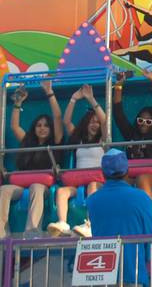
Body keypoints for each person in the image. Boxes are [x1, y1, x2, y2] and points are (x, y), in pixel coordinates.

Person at [0, 81, 63, 237]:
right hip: (22, 185)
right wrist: (18, 104)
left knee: (36, 186)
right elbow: (15, 126)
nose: (42, 128)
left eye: (46, 126)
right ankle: (2, 232)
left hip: (43, 187)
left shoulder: (55, 142)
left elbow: (57, 116)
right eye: (39, 125)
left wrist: (49, 92)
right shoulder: (28, 142)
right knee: (4, 190)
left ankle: (32, 231)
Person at [87, 149, 152, 286]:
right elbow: (151, 237)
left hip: (101, 275)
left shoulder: (92, 201)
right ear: (127, 171)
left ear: (103, 173)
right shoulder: (142, 198)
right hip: (133, 274)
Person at [47, 84, 106, 237]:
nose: (95, 124)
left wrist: (91, 99)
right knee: (61, 191)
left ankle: (90, 224)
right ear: (86, 123)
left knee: (93, 186)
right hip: (79, 181)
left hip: (98, 182)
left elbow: (105, 119)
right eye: (92, 121)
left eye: (97, 123)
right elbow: (66, 121)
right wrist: (73, 99)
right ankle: (63, 223)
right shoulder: (78, 140)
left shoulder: (103, 140)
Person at [112, 70, 152, 199]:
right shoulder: (131, 134)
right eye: (141, 120)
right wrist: (118, 86)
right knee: (117, 183)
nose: (144, 124)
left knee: (142, 179)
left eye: (148, 121)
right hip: (132, 177)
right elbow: (118, 114)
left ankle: (148, 216)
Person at [112, 0, 152, 64]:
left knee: (127, 50)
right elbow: (140, 38)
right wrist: (134, 25)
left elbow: (150, 13)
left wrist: (131, 5)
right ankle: (132, 69)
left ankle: (110, 55)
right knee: (132, 53)